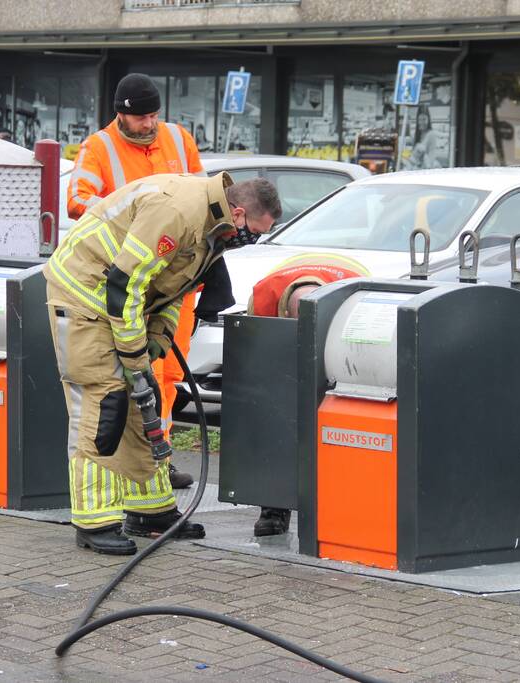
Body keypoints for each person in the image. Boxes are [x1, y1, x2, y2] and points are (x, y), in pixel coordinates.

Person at [45, 174, 281, 555]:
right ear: (238, 213)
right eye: (254, 232)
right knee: (104, 402)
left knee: (145, 400)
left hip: (120, 301)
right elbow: (125, 283)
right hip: (84, 295)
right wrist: (134, 357)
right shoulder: (177, 211)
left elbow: (173, 287)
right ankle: (94, 521)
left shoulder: (214, 225)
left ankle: (150, 510)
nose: (251, 240)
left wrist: (159, 335)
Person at [66, 73, 204, 490]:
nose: (150, 124)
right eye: (141, 118)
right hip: (130, 281)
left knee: (169, 374)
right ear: (121, 115)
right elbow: (77, 200)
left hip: (174, 280)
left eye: (154, 115)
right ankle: (138, 460)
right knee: (137, 373)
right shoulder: (100, 146)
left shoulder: (178, 138)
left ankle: (160, 455)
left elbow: (200, 193)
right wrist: (132, 216)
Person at [247, 252, 369, 536]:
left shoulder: (355, 294)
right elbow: (260, 356)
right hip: (284, 335)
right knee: (277, 416)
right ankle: (275, 506)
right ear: (286, 314)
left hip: (341, 334)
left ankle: (340, 504)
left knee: (340, 418)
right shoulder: (263, 299)